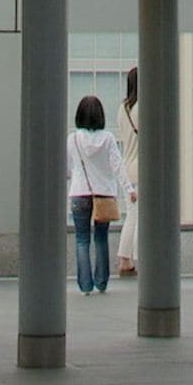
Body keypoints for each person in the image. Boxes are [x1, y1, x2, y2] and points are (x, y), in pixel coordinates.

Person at [65, 93, 131, 296]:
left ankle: (85, 285)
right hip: (103, 194)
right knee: (101, 238)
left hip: (79, 193)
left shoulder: (73, 139)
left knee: (82, 239)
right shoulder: (108, 138)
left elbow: (68, 168)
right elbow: (117, 165)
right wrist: (129, 188)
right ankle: (101, 281)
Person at [115, 65, 142, 278]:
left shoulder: (122, 108)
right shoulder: (142, 107)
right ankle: (130, 259)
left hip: (127, 166)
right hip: (141, 168)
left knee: (131, 215)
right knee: (137, 216)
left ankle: (125, 258)